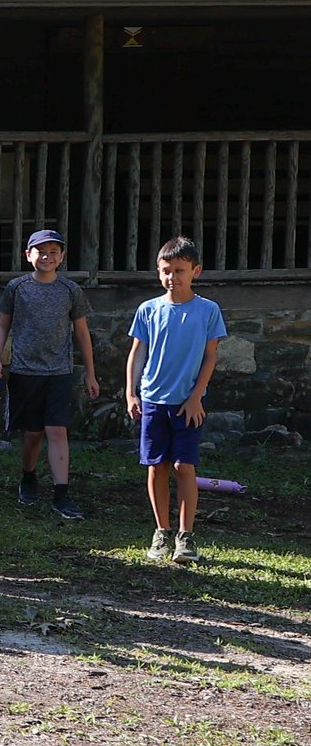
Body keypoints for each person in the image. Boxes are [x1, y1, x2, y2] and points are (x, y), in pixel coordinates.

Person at [127, 237, 224, 565]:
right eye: (167, 271)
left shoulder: (208, 311)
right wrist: (131, 392)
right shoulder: (148, 310)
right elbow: (137, 352)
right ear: (158, 272)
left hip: (188, 403)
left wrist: (196, 397)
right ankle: (162, 532)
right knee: (157, 466)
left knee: (184, 466)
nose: (173, 277)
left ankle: (185, 536)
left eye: (180, 270)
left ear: (195, 271)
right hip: (154, 400)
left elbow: (210, 357)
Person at [0, 229, 100, 522]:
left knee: (57, 430)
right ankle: (28, 477)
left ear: (62, 257)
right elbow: (3, 325)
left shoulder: (70, 290)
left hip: (59, 371)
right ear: (27, 255)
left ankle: (61, 494)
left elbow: (82, 332)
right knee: (32, 432)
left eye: (53, 252)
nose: (47, 257)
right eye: (40, 251)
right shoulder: (17, 288)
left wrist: (90, 373)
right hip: (24, 370)